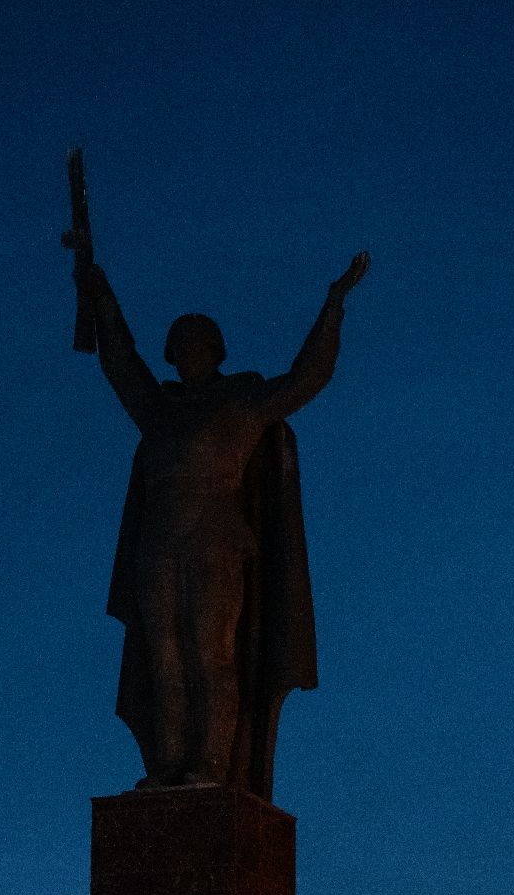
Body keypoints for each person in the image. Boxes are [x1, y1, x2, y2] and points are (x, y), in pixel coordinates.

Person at [76, 252, 369, 795]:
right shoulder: (158, 409)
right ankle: (168, 766)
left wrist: (334, 303)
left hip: (215, 540)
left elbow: (308, 377)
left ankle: (210, 765)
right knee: (163, 660)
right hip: (158, 542)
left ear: (215, 350)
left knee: (209, 653)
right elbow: (120, 363)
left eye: (196, 344)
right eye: (178, 347)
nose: (186, 354)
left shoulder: (241, 401)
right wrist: (101, 295)